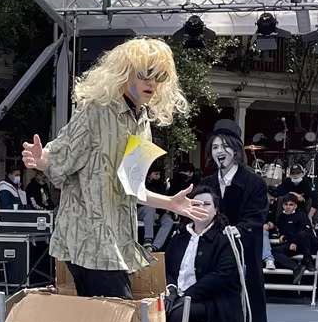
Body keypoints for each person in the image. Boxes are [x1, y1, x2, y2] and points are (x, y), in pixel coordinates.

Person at [22, 37, 207, 299]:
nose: (152, 83)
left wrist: (170, 203)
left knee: (106, 319)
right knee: (118, 315)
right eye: (144, 74)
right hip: (88, 240)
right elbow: (61, 157)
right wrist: (40, 158)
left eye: (159, 76)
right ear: (124, 72)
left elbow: (131, 186)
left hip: (115, 242)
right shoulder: (97, 109)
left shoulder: (142, 123)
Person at [201, 119, 281, 322]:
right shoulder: (207, 183)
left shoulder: (254, 183)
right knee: (221, 310)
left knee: (251, 310)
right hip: (215, 256)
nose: (219, 152)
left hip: (244, 253)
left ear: (236, 149)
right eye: (214, 147)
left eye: (224, 146)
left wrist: (237, 230)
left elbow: (256, 216)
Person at [164, 186, 243, 322]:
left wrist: (188, 295)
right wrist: (171, 289)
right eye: (196, 204)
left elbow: (223, 275)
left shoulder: (225, 238)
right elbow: (167, 269)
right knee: (158, 313)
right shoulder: (179, 236)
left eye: (206, 204)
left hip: (214, 302)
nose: (201, 208)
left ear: (216, 209)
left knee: (179, 315)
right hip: (179, 296)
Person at [274, 193, 318, 283]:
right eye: (286, 204)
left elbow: (306, 233)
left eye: (291, 205)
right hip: (293, 245)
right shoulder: (281, 217)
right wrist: (283, 237)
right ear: (282, 205)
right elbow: (282, 234)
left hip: (308, 245)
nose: (288, 207)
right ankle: (296, 267)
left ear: (296, 206)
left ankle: (308, 260)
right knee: (274, 251)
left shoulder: (302, 215)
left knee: (302, 234)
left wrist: (293, 241)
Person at [137, 164, 174, 252]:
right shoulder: (142, 185)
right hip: (143, 210)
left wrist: (159, 214)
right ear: (149, 174)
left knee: (169, 221)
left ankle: (155, 246)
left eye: (159, 174)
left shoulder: (161, 185)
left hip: (158, 212)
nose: (158, 176)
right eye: (156, 174)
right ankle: (148, 239)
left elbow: (164, 201)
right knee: (150, 207)